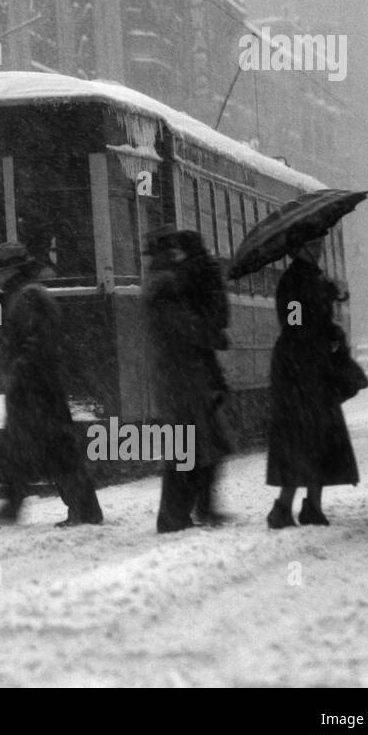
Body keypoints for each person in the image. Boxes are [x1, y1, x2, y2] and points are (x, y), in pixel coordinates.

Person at [0, 241, 103, 528]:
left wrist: (23, 368)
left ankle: (83, 510)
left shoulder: (30, 296)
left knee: (55, 449)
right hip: (32, 386)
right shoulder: (13, 296)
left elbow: (40, 342)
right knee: (21, 448)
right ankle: (15, 506)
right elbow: (3, 336)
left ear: (12, 270)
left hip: (36, 387)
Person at [143, 227, 233, 533]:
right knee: (185, 447)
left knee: (196, 446)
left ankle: (189, 512)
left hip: (185, 375)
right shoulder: (164, 288)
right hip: (178, 377)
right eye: (176, 253)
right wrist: (212, 333)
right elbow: (184, 329)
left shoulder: (169, 286)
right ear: (169, 255)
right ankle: (173, 517)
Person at [266, 236, 360, 528]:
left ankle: (311, 507)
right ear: (300, 248)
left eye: (320, 243)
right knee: (302, 441)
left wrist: (328, 300)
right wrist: (321, 331)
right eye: (313, 244)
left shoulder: (313, 280)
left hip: (314, 372)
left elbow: (312, 323)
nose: (319, 247)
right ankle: (283, 508)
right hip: (299, 373)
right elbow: (293, 324)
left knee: (315, 441)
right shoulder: (293, 282)